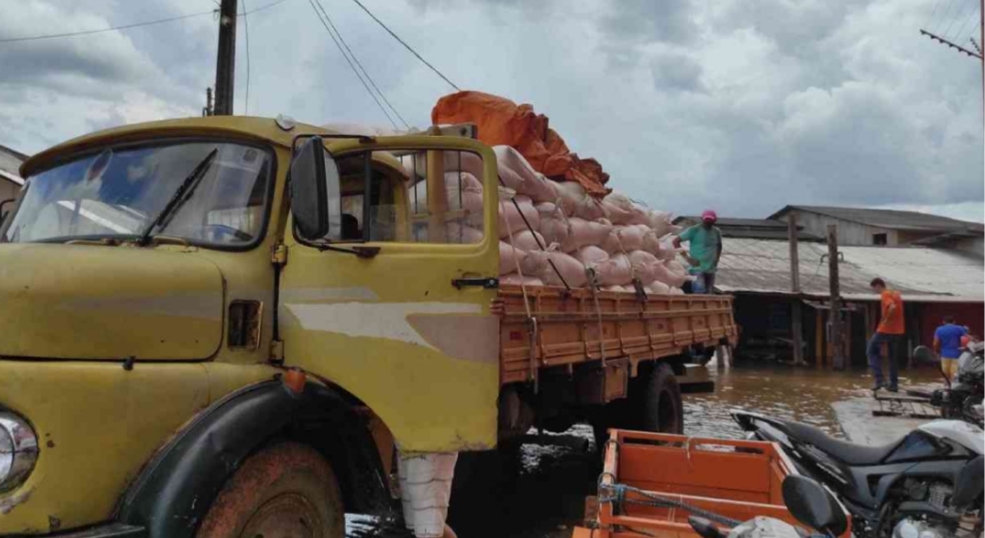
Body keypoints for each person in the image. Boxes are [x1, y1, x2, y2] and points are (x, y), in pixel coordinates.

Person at [867, 278, 905, 392]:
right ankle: (894, 385)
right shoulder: (897, 293)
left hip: (885, 330)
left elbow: (892, 306)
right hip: (898, 331)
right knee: (893, 358)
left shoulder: (885, 294)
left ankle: (879, 380)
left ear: (878, 286)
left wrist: (885, 319)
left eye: (874, 289)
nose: (875, 292)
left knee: (871, 351)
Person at [673, 210, 722, 294]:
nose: (708, 223)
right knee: (699, 291)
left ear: (714, 221)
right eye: (706, 221)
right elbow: (675, 241)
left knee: (709, 293)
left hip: (711, 268)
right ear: (702, 219)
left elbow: (719, 245)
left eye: (710, 221)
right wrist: (687, 258)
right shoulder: (694, 230)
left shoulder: (716, 232)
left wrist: (716, 259)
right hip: (697, 268)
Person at [934, 315, 968, 381]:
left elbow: (935, 343)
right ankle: (953, 389)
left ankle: (947, 389)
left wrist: (935, 351)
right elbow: (968, 338)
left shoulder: (939, 329)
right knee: (954, 375)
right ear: (954, 322)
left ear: (943, 322)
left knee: (945, 376)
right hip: (956, 354)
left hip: (944, 355)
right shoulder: (959, 328)